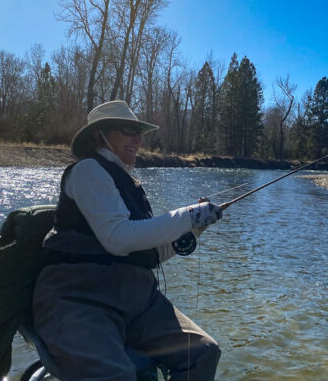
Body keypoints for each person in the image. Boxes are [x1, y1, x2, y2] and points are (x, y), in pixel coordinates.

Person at [33, 100, 222, 380]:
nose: (137, 139)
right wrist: (189, 215)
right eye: (127, 130)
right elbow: (117, 239)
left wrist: (196, 228)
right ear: (100, 136)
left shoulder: (130, 182)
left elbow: (152, 253)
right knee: (117, 375)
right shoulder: (87, 171)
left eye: (140, 132)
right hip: (79, 298)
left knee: (205, 352)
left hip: (137, 301)